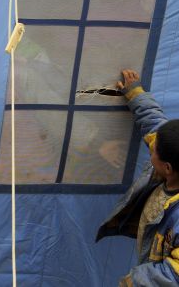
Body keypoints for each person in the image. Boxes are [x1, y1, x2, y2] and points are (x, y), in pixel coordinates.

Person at [97, 69, 179, 287]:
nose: (150, 150)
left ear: (168, 167)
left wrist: (135, 281)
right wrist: (136, 95)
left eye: (154, 153)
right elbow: (155, 125)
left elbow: (174, 274)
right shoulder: (173, 157)